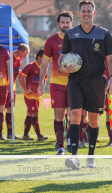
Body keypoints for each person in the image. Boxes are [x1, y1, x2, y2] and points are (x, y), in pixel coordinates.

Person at [59, 0, 112, 170]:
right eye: (83, 11)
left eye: (89, 11)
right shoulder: (70, 34)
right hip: (76, 79)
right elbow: (62, 57)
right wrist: (61, 67)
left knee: (93, 119)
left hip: (97, 80)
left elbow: (110, 58)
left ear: (94, 13)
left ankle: (91, 157)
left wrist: (111, 76)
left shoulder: (103, 33)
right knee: (75, 115)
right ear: (79, 13)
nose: (86, 13)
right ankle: (74, 156)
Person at [38, 11, 73, 155]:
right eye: (62, 22)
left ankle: (71, 141)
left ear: (72, 23)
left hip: (75, 83)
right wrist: (41, 83)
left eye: (67, 22)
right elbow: (45, 63)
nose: (65, 25)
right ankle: (61, 147)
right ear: (58, 24)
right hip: (56, 82)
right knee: (59, 114)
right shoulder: (51, 41)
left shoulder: (78, 39)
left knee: (73, 114)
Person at [0, 43, 29, 140]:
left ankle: (10, 134)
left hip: (13, 88)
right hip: (5, 87)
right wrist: (7, 83)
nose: (25, 57)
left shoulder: (19, 59)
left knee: (11, 110)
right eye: (24, 54)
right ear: (20, 51)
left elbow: (15, 70)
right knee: (1, 109)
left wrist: (21, 72)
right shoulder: (9, 57)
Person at [18, 50, 48, 141]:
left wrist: (42, 88)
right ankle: (39, 136)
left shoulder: (44, 67)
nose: (45, 60)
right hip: (30, 95)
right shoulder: (30, 66)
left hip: (37, 95)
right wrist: (26, 89)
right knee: (35, 114)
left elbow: (45, 78)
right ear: (39, 57)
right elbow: (20, 77)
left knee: (30, 114)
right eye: (44, 58)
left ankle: (25, 135)